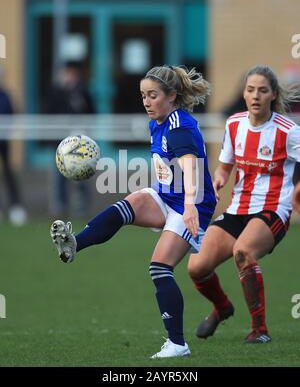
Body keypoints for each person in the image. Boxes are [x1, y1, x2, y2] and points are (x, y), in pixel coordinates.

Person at [50, 65, 217, 358]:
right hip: (167, 195)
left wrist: (190, 205)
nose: (146, 102)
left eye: (153, 96)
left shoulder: (179, 126)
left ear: (172, 95)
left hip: (192, 204)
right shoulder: (158, 121)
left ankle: (177, 344)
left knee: (159, 267)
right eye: (143, 96)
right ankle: (75, 243)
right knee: (126, 206)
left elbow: (191, 167)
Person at [188, 64, 300, 344]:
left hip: (274, 209)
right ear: (244, 93)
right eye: (251, 90)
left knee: (243, 252)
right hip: (239, 208)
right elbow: (225, 166)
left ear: (273, 94)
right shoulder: (235, 124)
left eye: (263, 90)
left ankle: (259, 330)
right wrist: (219, 179)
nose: (256, 95)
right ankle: (222, 307)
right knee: (196, 267)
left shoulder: (288, 131)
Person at [44, 62, 95, 216]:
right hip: (61, 142)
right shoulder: (56, 91)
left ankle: (82, 207)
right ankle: (60, 206)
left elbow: (91, 111)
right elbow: (49, 112)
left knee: (83, 175)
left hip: (80, 143)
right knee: (59, 175)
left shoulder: (82, 91)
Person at [0, 68, 27, 225]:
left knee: (9, 173)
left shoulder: (6, 96)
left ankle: (16, 208)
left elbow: (13, 115)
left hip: (4, 142)